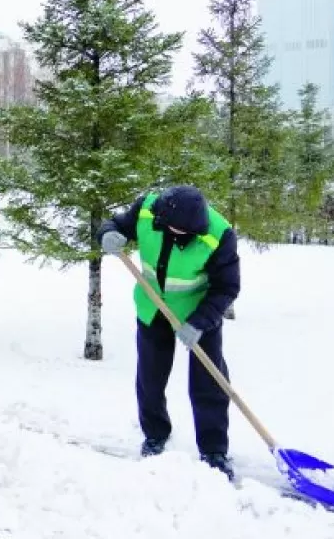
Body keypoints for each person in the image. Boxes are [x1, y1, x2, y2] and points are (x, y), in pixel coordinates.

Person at [95, 185, 241, 479]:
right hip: (153, 307)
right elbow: (116, 224)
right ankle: (155, 435)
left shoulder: (219, 235)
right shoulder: (147, 209)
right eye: (175, 230)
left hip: (198, 312)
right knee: (151, 376)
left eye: (186, 234)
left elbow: (227, 287)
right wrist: (108, 233)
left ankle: (214, 450)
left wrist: (199, 323)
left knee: (209, 382)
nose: (181, 237)